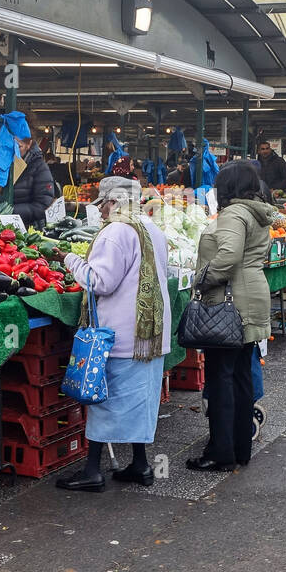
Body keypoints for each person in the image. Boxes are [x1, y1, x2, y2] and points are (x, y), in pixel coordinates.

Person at [50, 177, 172, 492]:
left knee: (103, 400)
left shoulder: (116, 232)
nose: (102, 212)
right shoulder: (150, 228)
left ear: (114, 202)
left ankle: (92, 471)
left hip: (121, 333)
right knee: (138, 402)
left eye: (103, 204)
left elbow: (101, 282)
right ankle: (141, 465)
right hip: (150, 334)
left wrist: (69, 259)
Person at [187, 161, 277, 472]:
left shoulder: (234, 214)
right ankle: (240, 447)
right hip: (251, 296)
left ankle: (221, 452)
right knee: (240, 377)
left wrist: (200, 278)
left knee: (221, 378)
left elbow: (227, 256)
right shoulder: (256, 211)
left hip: (231, 304)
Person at [0, 134, 56, 226]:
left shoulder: (39, 167)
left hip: (24, 230)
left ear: (28, 144)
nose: (13, 151)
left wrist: (8, 212)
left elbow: (43, 205)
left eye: (18, 146)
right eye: (8, 146)